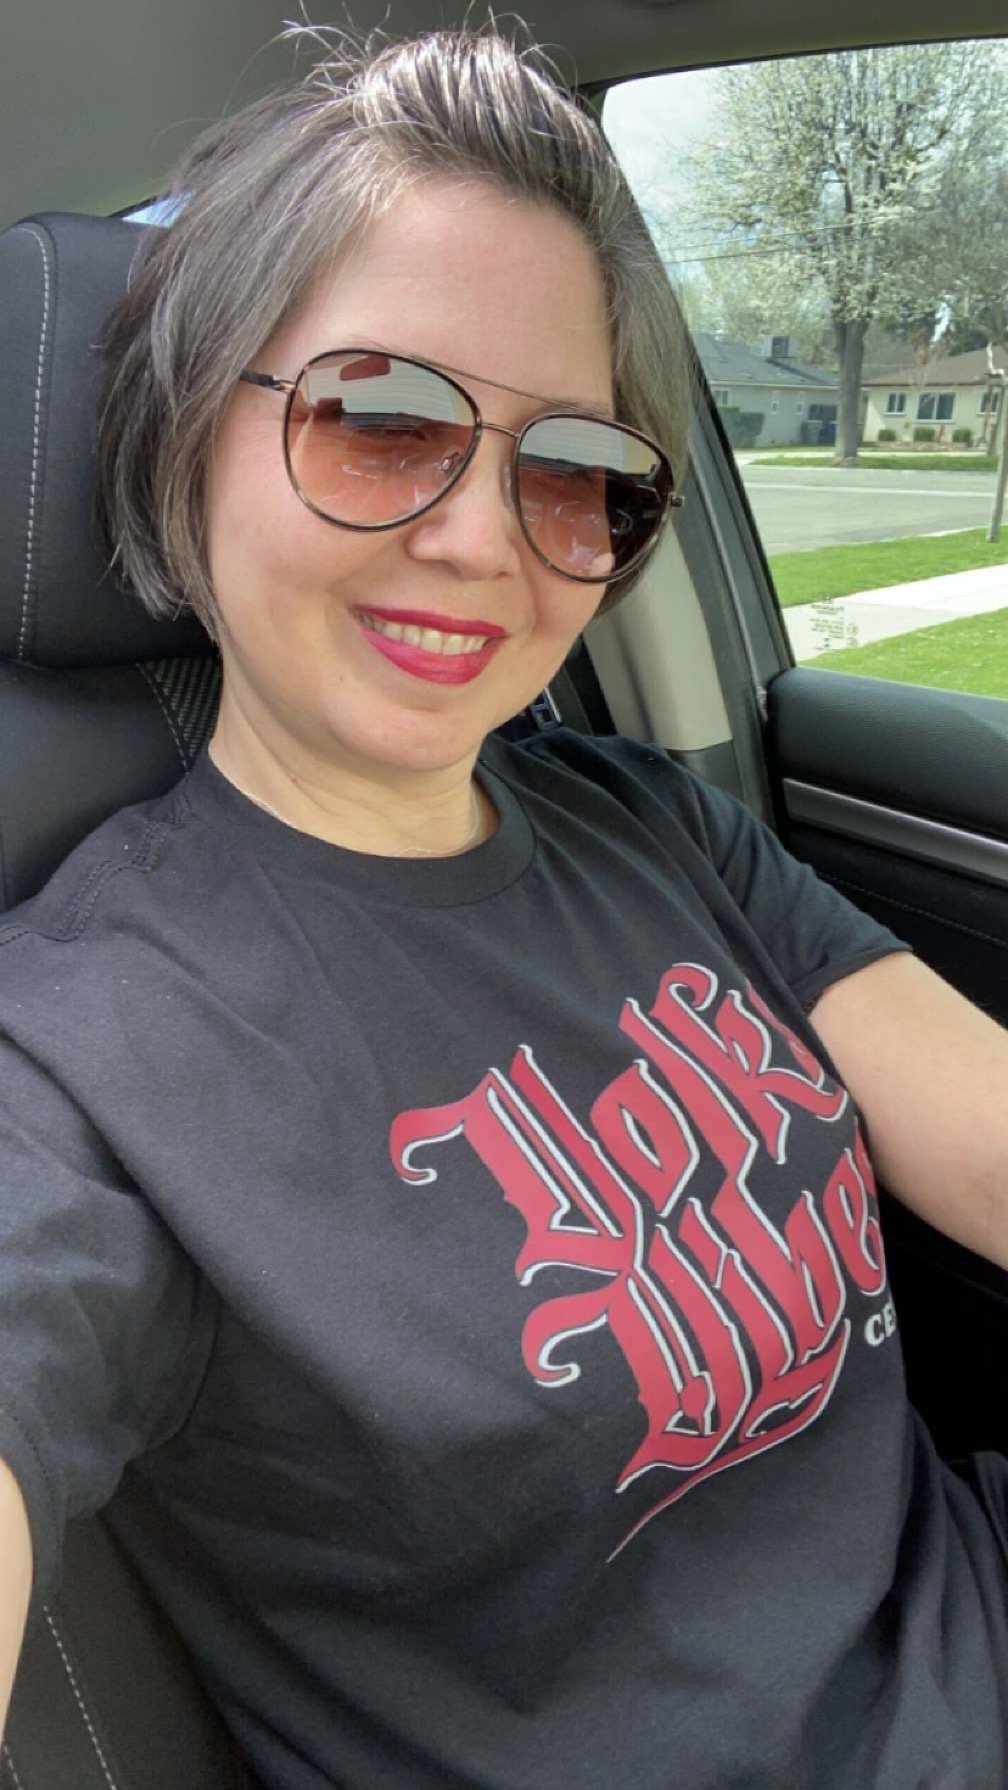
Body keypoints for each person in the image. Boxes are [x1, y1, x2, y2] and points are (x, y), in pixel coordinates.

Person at [1, 24, 1007, 1790]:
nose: (483, 537)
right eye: (379, 422)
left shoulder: (645, 824)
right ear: (188, 432)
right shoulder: (83, 1052)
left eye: (573, 472)